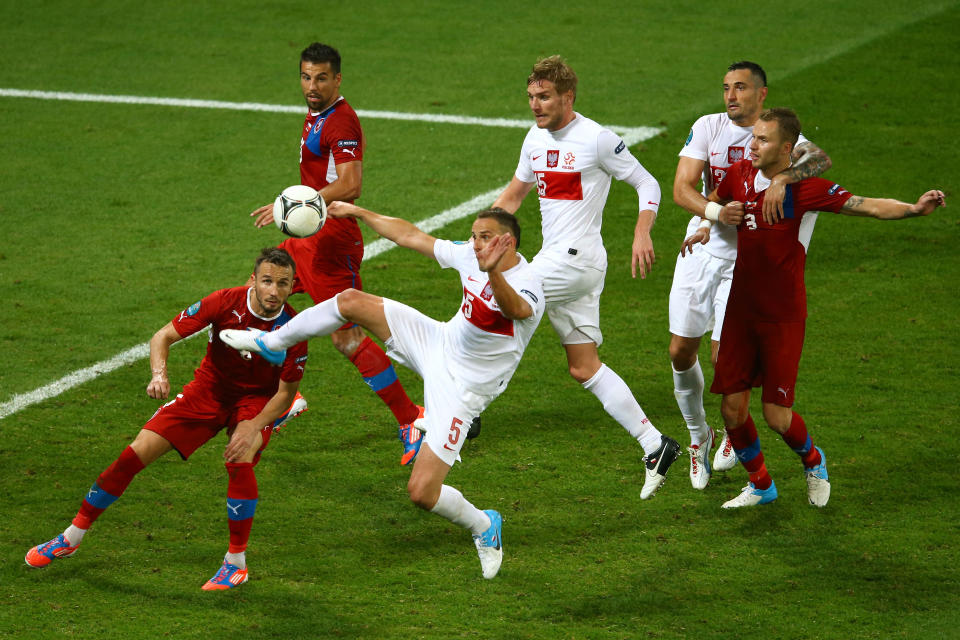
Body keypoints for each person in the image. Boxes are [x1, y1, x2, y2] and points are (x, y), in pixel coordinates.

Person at [222, 204, 545, 579]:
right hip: (438, 342)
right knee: (350, 301)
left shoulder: (529, 282)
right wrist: (358, 212)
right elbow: (409, 235)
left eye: (484, 237)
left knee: (422, 492)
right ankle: (272, 341)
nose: (475, 244)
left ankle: (484, 525)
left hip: (463, 389)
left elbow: (518, 310)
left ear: (509, 242)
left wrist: (492, 273)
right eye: (474, 236)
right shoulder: (470, 255)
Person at [684, 107, 946, 508]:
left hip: (783, 315)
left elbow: (867, 205)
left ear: (787, 148)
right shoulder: (738, 173)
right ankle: (761, 484)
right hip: (740, 309)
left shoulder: (805, 189)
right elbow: (717, 199)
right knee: (732, 409)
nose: (752, 145)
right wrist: (708, 222)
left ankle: (813, 459)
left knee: (776, 416)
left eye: (763, 140)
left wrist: (913, 208)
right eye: (753, 137)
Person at [25, 248, 310, 590]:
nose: (274, 291)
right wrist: (158, 375)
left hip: (256, 400)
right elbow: (163, 336)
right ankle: (71, 537)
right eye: (267, 281)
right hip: (209, 390)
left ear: (292, 286)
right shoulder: (223, 302)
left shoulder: (294, 328)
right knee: (134, 454)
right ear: (253, 280)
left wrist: (252, 425)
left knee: (240, 459)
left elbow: (283, 390)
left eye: (283, 284)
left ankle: (236, 563)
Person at [491, 55, 679, 499]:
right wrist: (483, 232)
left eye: (545, 97)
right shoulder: (533, 139)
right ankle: (656, 444)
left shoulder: (596, 139)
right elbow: (515, 193)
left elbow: (648, 184)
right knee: (583, 366)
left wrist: (641, 232)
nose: (536, 105)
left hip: (576, 261)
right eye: (532, 97)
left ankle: (464, 411)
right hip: (566, 263)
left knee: (502, 306)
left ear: (567, 97)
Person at [249, 42, 424, 465]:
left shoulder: (340, 122)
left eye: (321, 78)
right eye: (307, 77)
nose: (312, 86)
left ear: (338, 79)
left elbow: (350, 184)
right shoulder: (317, 114)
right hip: (309, 239)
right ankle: (283, 397)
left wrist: (299, 208)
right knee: (259, 302)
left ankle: (411, 418)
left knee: (346, 336)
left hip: (330, 243)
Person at [670, 61, 833, 489]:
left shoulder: (778, 137)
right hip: (702, 248)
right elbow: (683, 187)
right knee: (679, 353)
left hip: (745, 265)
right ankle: (697, 437)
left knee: (725, 364)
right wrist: (710, 215)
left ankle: (735, 437)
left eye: (740, 88)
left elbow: (820, 158)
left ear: (761, 95)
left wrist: (785, 180)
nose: (730, 96)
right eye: (726, 87)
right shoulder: (707, 126)